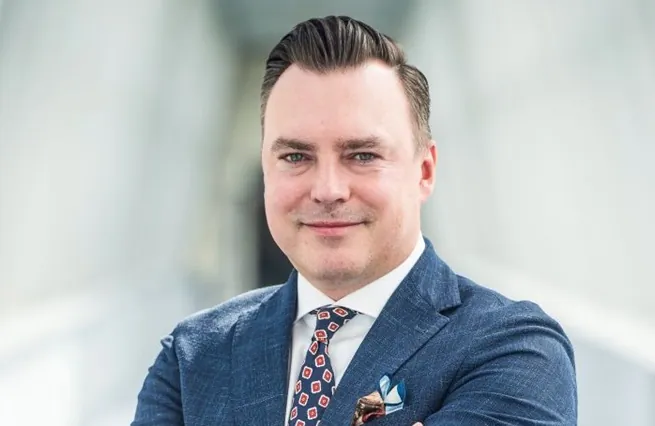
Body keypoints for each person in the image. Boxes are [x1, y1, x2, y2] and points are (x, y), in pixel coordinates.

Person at [132, 16, 577, 426]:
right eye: (296, 156)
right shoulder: (192, 356)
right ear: (266, 170)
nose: (328, 190)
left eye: (362, 155)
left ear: (424, 172)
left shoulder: (515, 352)